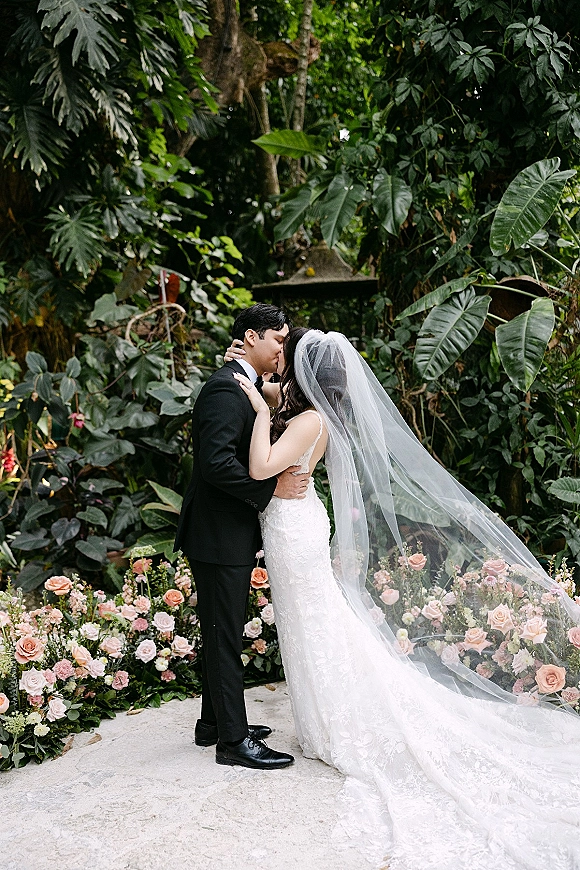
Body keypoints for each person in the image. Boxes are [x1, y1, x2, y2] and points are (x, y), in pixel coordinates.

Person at [229, 327, 580, 870]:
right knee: (309, 623)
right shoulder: (313, 415)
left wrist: (256, 410)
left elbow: (259, 467)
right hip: (293, 527)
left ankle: (334, 721)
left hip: (293, 533)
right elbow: (285, 419)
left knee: (314, 623)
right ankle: (320, 716)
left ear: (301, 380)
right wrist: (267, 395)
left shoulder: (306, 422)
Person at [174, 304, 309, 770]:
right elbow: (215, 465)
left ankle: (214, 722)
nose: (282, 348)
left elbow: (284, 392)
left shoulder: (244, 383)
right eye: (277, 339)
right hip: (216, 535)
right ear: (252, 337)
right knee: (225, 637)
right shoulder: (223, 389)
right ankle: (232, 743)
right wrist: (271, 487)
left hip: (227, 532)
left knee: (221, 631)